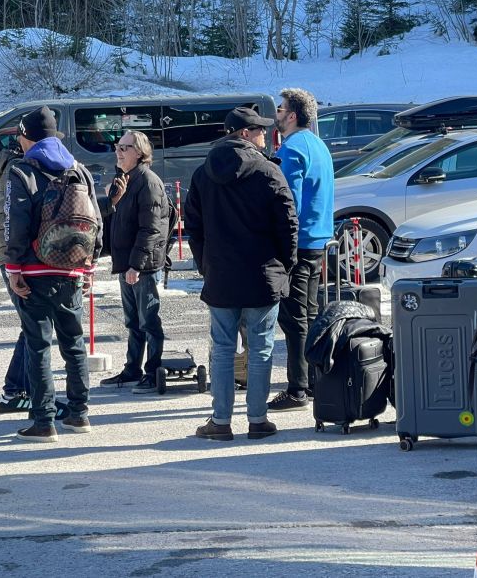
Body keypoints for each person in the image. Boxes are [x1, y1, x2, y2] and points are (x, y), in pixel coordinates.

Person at [185, 106, 298, 440]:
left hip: (221, 274)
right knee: (261, 347)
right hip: (263, 274)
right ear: (245, 134)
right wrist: (285, 265)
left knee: (222, 348)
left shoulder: (203, 173)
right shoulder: (268, 172)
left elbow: (194, 226)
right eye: (260, 131)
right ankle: (257, 419)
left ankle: (220, 421)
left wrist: (206, 264)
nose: (265, 136)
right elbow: (288, 224)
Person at [4, 106, 102, 442]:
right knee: (74, 345)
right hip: (72, 268)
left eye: (19, 135)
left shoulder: (22, 171)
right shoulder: (79, 170)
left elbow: (14, 223)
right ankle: (79, 414)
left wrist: (13, 268)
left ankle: (44, 421)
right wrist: (89, 264)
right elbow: (96, 221)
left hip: (34, 270)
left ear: (26, 136)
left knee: (38, 346)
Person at [267, 88, 334, 413]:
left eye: (280, 109)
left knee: (294, 319)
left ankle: (298, 388)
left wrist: (280, 243)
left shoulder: (292, 149)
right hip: (317, 240)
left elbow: (287, 201)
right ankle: (311, 381)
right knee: (307, 314)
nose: (276, 114)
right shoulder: (319, 145)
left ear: (292, 115)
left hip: (299, 242)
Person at [0, 133, 70, 420]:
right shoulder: (20, 171)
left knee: (32, 327)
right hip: (21, 260)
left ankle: (17, 391)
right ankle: (22, 395)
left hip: (17, 259)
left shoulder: (13, 168)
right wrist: (15, 265)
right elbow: (17, 222)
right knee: (36, 328)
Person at [98, 130, 171, 394]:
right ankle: (132, 369)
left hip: (143, 265)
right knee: (132, 321)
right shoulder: (125, 179)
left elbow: (151, 229)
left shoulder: (148, 182)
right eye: (117, 147)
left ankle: (153, 371)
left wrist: (136, 266)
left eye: (124, 148)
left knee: (148, 320)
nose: (118, 152)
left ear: (139, 152)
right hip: (127, 262)